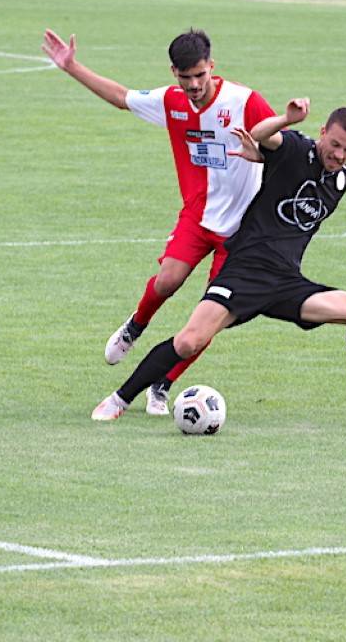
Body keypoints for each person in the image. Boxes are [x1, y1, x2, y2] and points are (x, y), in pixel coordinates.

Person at [90, 99, 346, 422]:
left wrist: (263, 159)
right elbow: (261, 133)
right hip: (244, 273)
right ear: (322, 132)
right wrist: (285, 120)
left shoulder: (343, 180)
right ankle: (119, 399)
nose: (339, 155)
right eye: (334, 144)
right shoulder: (294, 148)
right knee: (190, 340)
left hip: (286, 282)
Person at [41, 27, 275, 415]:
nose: (194, 85)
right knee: (168, 279)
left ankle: (162, 384)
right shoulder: (171, 102)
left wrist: (270, 153)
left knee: (209, 318)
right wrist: (71, 67)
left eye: (200, 75)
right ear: (174, 73)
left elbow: (280, 142)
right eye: (186, 78)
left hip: (243, 230)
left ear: (212, 67)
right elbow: (120, 97)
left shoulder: (244, 101)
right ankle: (136, 324)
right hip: (199, 216)